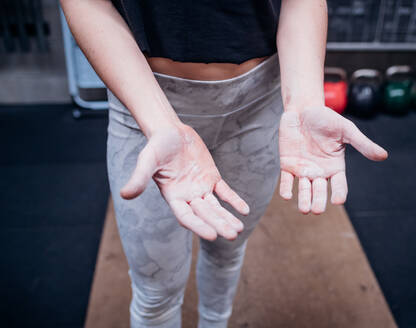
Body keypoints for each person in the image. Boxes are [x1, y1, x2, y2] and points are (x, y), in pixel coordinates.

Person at [61, 1, 388, 327]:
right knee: (156, 292)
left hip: (257, 101)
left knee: (227, 251)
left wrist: (304, 103)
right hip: (145, 105)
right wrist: (160, 124)